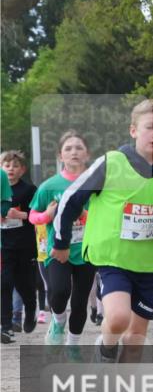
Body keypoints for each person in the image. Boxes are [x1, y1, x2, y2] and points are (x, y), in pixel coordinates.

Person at [53, 99, 153, 362]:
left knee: (136, 338)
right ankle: (105, 347)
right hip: (112, 257)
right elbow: (71, 199)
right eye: (150, 127)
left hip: (151, 264)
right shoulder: (111, 162)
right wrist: (61, 241)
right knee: (116, 319)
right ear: (133, 130)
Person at [29, 131, 97, 359]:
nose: (74, 152)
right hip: (58, 251)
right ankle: (58, 322)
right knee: (59, 292)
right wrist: (47, 215)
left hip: (87, 252)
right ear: (60, 155)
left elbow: (108, 214)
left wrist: (89, 216)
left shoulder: (96, 184)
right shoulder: (50, 186)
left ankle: (73, 346)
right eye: (68, 148)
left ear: (87, 154)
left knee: (80, 303)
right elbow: (32, 216)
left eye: (79, 148)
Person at [1, 150, 38, 343]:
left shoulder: (29, 190)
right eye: (7, 165)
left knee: (25, 286)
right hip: (3, 246)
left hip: (24, 245)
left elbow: (37, 216)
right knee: (4, 283)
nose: (10, 169)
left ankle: (30, 308)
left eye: (15, 166)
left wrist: (20, 215)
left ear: (22, 170)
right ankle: (5, 326)